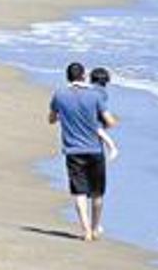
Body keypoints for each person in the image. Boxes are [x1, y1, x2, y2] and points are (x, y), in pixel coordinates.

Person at [48, 63, 118, 241]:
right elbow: (110, 122)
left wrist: (63, 116)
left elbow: (51, 119)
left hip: (73, 150)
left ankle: (85, 230)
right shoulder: (95, 96)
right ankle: (95, 228)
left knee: (79, 193)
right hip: (94, 149)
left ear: (67, 77)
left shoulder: (59, 94)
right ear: (84, 76)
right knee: (97, 193)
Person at [90, 67, 119, 161]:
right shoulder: (102, 92)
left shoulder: (91, 89)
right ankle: (112, 147)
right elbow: (99, 108)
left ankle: (112, 147)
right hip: (93, 118)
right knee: (99, 129)